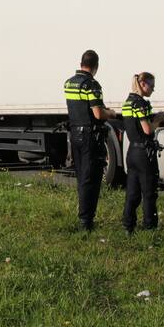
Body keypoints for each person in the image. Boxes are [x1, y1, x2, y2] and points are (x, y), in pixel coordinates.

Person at [64, 49, 116, 231]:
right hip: (89, 136)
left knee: (81, 177)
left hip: (75, 135)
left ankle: (83, 217)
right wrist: (111, 113)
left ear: (81, 63)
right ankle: (86, 221)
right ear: (96, 66)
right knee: (91, 178)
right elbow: (98, 113)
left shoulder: (69, 83)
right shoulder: (92, 85)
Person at [121, 72, 164, 232]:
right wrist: (158, 120)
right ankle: (150, 226)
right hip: (144, 153)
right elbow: (147, 129)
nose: (153, 90)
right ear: (143, 84)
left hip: (132, 151)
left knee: (132, 192)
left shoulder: (127, 102)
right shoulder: (141, 103)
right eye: (151, 86)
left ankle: (128, 226)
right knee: (149, 192)